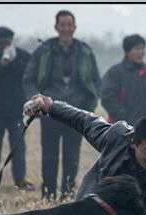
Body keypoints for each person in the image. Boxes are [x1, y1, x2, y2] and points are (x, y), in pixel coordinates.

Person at [23, 10, 101, 200]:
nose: (66, 28)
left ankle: (67, 195)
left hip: (76, 113)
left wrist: (89, 107)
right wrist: (35, 98)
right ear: (56, 27)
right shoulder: (44, 50)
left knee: (72, 157)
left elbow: (96, 82)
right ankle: (48, 196)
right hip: (49, 111)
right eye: (62, 25)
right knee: (49, 156)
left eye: (69, 25)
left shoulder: (85, 51)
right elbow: (28, 79)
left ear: (74, 27)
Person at [0, 25, 34, 191]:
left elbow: (28, 76)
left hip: (16, 110)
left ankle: (20, 179)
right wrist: (2, 64)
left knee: (18, 147)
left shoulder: (23, 56)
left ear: (12, 41)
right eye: (0, 43)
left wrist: (13, 61)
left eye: (7, 42)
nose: (3, 45)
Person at [100, 34, 146, 125]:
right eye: (137, 49)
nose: (141, 52)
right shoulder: (115, 72)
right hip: (121, 126)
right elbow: (107, 98)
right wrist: (124, 117)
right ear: (127, 52)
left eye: (142, 49)